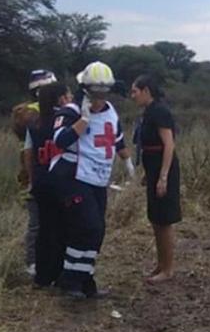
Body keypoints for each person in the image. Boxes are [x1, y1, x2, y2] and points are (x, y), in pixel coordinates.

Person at [50, 61, 134, 298]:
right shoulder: (71, 112)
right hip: (73, 178)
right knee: (86, 227)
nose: (100, 98)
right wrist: (83, 121)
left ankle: (85, 280)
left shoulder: (110, 111)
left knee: (97, 232)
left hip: (98, 179)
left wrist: (128, 164)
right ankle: (70, 281)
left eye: (104, 92)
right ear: (85, 89)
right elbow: (59, 141)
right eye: (95, 93)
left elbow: (117, 139)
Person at [130, 75, 181, 283]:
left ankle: (168, 269)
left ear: (146, 91)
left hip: (164, 170)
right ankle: (160, 264)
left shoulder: (160, 111)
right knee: (155, 219)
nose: (132, 96)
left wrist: (163, 176)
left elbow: (169, 145)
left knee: (164, 220)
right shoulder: (148, 112)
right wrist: (147, 174)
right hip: (152, 169)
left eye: (135, 91)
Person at [27, 81, 73, 288]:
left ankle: (42, 276)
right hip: (62, 180)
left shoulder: (34, 123)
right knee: (64, 228)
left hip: (40, 180)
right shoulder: (64, 120)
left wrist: (32, 179)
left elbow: (28, 153)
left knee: (44, 229)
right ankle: (61, 273)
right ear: (60, 98)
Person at [14, 69, 55, 276]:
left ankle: (43, 260)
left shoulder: (37, 111)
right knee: (37, 223)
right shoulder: (31, 114)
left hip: (43, 173)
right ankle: (32, 262)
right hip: (35, 174)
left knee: (45, 222)